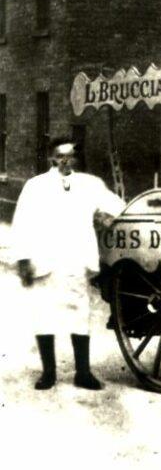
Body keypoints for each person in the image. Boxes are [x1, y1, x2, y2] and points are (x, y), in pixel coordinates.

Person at [12, 137, 126, 391]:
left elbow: (117, 206)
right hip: (45, 260)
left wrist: (106, 216)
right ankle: (48, 373)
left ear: (75, 158)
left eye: (70, 155)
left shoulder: (89, 185)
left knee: (80, 314)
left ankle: (83, 373)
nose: (65, 160)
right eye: (60, 156)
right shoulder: (35, 186)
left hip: (75, 260)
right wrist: (23, 259)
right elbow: (21, 222)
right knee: (44, 315)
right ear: (51, 158)